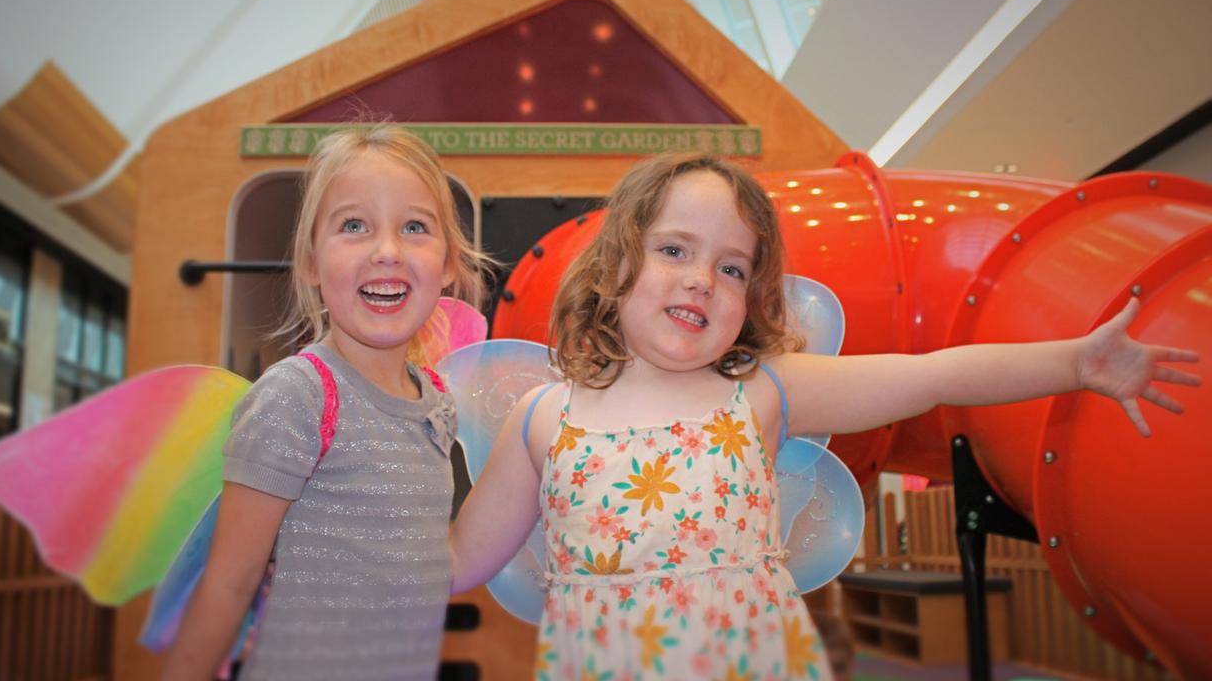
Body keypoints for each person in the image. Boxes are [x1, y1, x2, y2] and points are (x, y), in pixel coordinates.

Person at [448, 153, 1200, 680]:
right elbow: (460, 559)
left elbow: (932, 375)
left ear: (753, 297)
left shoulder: (762, 392)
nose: (702, 280)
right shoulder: (545, 417)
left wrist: (1073, 363)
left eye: (731, 267)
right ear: (614, 268)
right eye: (674, 249)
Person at [163, 126, 490, 681]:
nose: (387, 250)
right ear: (312, 263)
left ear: (449, 263)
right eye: (354, 226)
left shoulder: (438, 403)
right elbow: (228, 582)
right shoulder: (300, 395)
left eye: (414, 227)